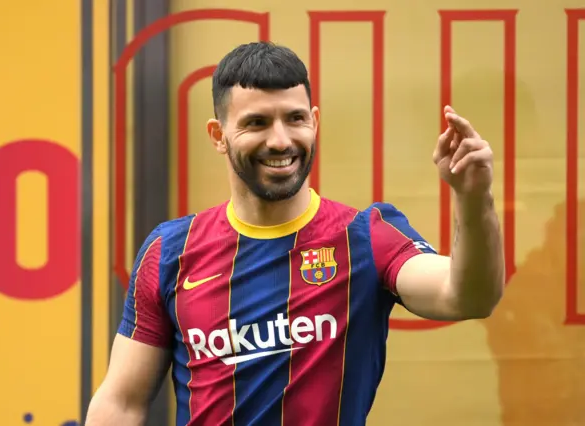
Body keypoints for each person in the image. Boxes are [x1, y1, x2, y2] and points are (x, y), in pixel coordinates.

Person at [85, 41, 505, 426]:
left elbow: (468, 296)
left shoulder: (367, 238)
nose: (281, 140)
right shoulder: (170, 250)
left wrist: (473, 198)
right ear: (218, 136)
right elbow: (122, 402)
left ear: (315, 122)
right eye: (257, 123)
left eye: (295, 118)